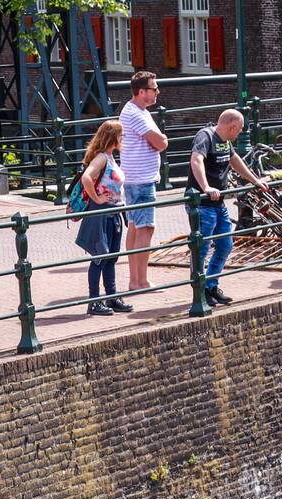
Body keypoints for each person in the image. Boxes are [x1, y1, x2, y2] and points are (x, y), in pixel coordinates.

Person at [186, 109, 269, 306]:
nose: (240, 133)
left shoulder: (225, 141)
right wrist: (205, 187)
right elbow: (196, 160)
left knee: (225, 244)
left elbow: (234, 160)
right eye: (239, 129)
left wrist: (255, 180)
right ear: (232, 126)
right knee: (202, 247)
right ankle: (199, 291)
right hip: (202, 204)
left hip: (218, 202)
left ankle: (211, 286)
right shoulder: (205, 137)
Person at [74, 120, 133, 316]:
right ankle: (94, 301)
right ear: (112, 137)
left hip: (114, 213)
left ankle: (112, 297)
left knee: (111, 258)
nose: (122, 139)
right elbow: (86, 177)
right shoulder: (101, 158)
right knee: (100, 258)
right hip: (102, 214)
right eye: (121, 135)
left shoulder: (110, 157)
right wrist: (97, 198)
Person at [119, 70, 168, 292]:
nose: (157, 92)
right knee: (145, 229)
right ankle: (141, 282)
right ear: (141, 92)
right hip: (141, 181)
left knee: (135, 228)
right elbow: (161, 143)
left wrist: (159, 140)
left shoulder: (137, 111)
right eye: (153, 88)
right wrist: (160, 140)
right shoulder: (136, 114)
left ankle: (135, 280)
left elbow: (158, 141)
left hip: (134, 178)